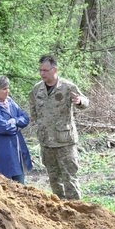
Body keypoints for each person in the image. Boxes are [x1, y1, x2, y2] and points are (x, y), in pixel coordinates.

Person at [29, 54, 89, 199]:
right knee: (54, 179)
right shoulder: (37, 89)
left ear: (55, 69)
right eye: (40, 70)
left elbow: (85, 102)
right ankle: (61, 209)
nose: (42, 73)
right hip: (47, 142)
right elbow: (34, 111)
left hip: (64, 142)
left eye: (45, 70)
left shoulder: (67, 87)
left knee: (70, 178)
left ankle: (76, 209)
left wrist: (79, 101)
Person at [0, 75, 33, 183]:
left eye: (8, 88)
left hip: (17, 148)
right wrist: (17, 127)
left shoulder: (10, 101)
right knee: (6, 184)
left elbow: (25, 118)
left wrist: (14, 121)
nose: (8, 91)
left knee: (20, 185)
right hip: (1, 150)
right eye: (4, 89)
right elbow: (2, 127)